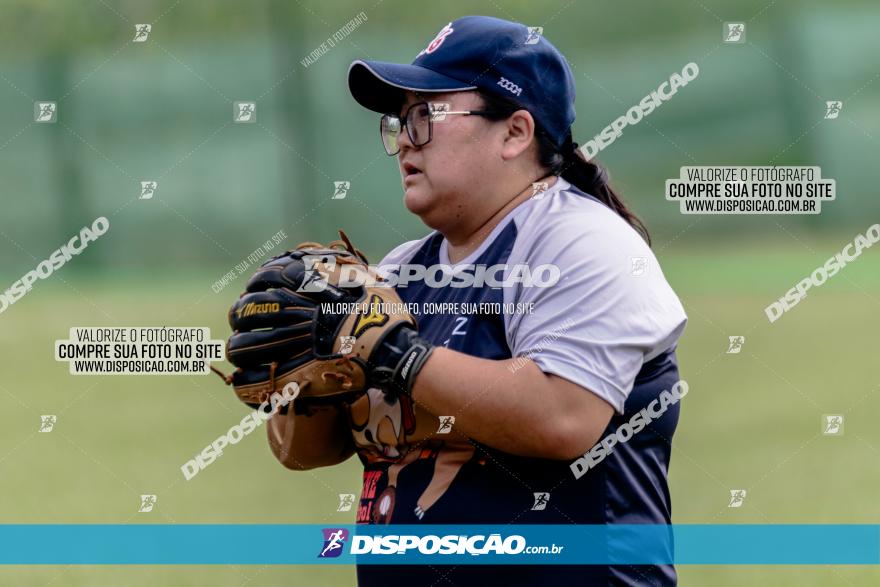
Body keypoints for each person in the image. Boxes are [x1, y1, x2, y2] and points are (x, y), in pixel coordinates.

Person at [268, 15, 687, 586]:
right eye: (401, 121)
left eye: (427, 116)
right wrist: (295, 373)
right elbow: (307, 452)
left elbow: (563, 418)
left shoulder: (581, 242)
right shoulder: (400, 270)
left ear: (515, 133)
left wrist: (394, 355)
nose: (404, 142)